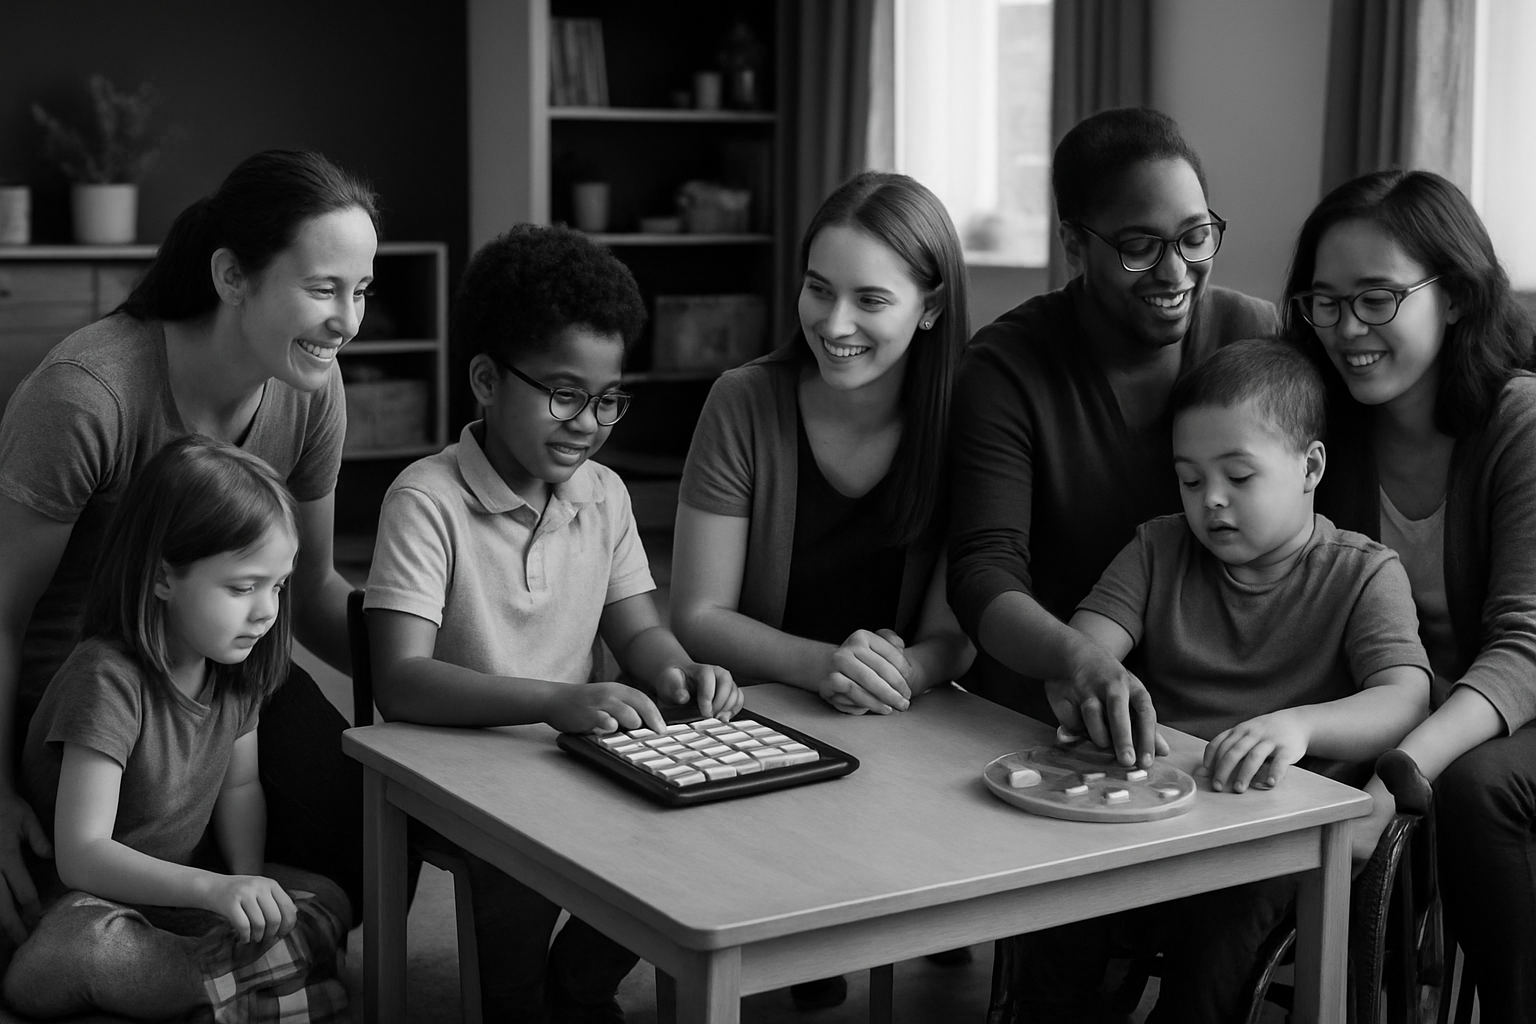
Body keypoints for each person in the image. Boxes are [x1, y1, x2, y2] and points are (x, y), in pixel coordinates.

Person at [365, 223, 743, 1023]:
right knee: (520, 864)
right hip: (464, 770)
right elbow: (400, 681)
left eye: (607, 399)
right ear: (487, 380)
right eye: (564, 394)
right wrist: (550, 702)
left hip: (568, 748)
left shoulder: (603, 494)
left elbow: (638, 630)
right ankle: (512, 1001)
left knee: (686, 825)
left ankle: (579, 984)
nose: (588, 422)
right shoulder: (425, 501)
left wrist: (677, 669)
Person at [0, 150, 375, 933]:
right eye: (321, 289)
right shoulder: (88, 395)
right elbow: (2, 615)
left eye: (361, 290)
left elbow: (309, 593)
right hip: (88, 701)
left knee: (375, 837)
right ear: (232, 277)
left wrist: (431, 681)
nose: (347, 320)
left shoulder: (313, 385)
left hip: (220, 679)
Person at [1013, 340, 1430, 1024]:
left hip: (1273, 838)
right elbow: (1082, 651)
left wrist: (1300, 724)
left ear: (1311, 467)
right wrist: (1082, 683)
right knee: (1057, 900)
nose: (1211, 501)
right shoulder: (1159, 549)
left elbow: (1405, 695)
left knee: (1221, 921)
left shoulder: (1363, 573)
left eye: (1239, 476)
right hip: (1153, 809)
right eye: (1189, 478)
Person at [669, 171, 977, 1009]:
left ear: (931, 307)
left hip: (902, 717)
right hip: (754, 708)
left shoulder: (963, 423)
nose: (833, 324)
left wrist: (899, 673)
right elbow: (696, 615)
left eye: (870, 300)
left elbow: (955, 636)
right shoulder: (744, 401)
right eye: (817, 290)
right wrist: (825, 666)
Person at [946, 108, 1279, 767]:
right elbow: (984, 570)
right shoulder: (1007, 368)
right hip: (1052, 717)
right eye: (1139, 247)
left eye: (1195, 237)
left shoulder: (1252, 335)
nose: (1175, 272)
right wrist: (1079, 661)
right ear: (1074, 245)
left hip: (1221, 720)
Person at [1283, 168, 1536, 1023]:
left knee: (1475, 791)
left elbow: (1525, 649)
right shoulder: (1323, 427)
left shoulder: (1520, 424)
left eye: (1377, 298)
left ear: (1457, 296)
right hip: (1395, 704)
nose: (1346, 328)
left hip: (1509, 716)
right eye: (1324, 301)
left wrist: (1401, 772)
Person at [2, 436, 349, 1021]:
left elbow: (240, 790)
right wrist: (212, 892)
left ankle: (219, 991)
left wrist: (245, 890)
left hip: (177, 895)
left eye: (278, 585)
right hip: (77, 907)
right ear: (163, 577)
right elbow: (81, 854)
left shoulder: (238, 671)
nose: (266, 610)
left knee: (324, 899)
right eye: (242, 587)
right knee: (97, 950)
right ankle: (233, 990)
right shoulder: (106, 677)